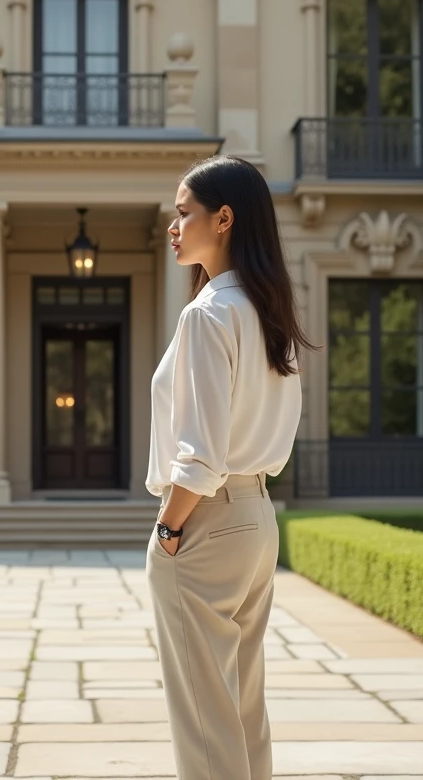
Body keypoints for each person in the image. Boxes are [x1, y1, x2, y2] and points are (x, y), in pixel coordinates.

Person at [146, 154, 316, 780]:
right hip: (256, 519)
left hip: (207, 525)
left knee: (203, 717)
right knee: (242, 705)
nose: (173, 225)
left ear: (223, 219)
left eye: (184, 212)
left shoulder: (209, 313)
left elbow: (200, 456)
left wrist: (168, 533)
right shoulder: (269, 313)